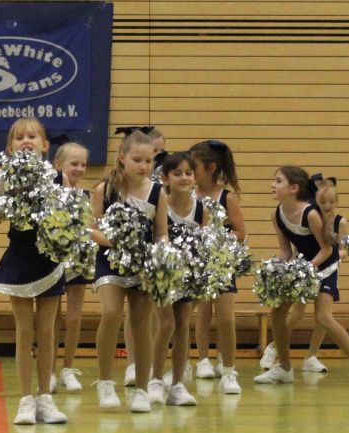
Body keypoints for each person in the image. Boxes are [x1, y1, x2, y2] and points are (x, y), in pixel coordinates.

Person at [255, 166, 349, 387]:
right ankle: (284, 368)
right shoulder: (276, 214)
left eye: (278, 181)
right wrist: (275, 266)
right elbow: (285, 250)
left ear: (294, 188)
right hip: (302, 267)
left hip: (324, 266)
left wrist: (306, 269)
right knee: (277, 314)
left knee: (323, 317)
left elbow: (327, 249)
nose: (273, 184)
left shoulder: (310, 213)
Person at [0, 118, 69, 425]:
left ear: (45, 145)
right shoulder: (7, 179)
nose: (26, 141)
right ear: (10, 148)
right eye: (19, 137)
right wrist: (9, 192)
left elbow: (69, 220)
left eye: (32, 136)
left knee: (46, 331)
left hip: (48, 258)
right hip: (20, 257)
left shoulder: (58, 178)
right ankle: (25, 399)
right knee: (24, 331)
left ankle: (45, 397)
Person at [91, 129, 169, 412]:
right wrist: (116, 241)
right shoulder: (104, 190)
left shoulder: (158, 192)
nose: (144, 166)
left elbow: (161, 232)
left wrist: (163, 252)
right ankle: (104, 382)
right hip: (109, 258)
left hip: (143, 262)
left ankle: (142, 389)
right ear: (122, 157)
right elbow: (91, 230)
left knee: (142, 322)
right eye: (137, 160)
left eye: (149, 161)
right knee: (111, 313)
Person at [258, 176, 343, 374]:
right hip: (305, 268)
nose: (327, 205)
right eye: (322, 201)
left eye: (331, 201)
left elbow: (341, 247)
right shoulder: (311, 215)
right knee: (297, 311)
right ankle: (274, 346)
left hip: (328, 267)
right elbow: (297, 246)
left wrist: (340, 255)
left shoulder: (339, 221)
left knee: (323, 315)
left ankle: (312, 356)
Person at [189, 140, 246, 395]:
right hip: (196, 262)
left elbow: (240, 233)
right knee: (202, 312)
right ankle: (202, 360)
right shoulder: (188, 194)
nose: (189, 172)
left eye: (194, 168)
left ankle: (229, 369)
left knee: (225, 316)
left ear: (210, 168)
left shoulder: (227, 197)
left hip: (220, 262)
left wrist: (216, 237)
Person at [152, 152, 201, 406]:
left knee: (183, 324)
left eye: (189, 173)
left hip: (189, 275)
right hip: (163, 274)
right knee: (166, 324)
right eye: (177, 173)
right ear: (165, 178)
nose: (184, 178)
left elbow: (204, 243)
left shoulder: (201, 208)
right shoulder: (160, 203)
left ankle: (177, 384)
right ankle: (155, 380)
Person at [52, 140, 90, 394]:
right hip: (54, 259)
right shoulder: (50, 194)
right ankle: (50, 369)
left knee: (74, 316)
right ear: (58, 165)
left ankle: (68, 367)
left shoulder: (87, 195)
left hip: (78, 260)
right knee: (51, 317)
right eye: (74, 163)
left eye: (83, 164)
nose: (79, 169)